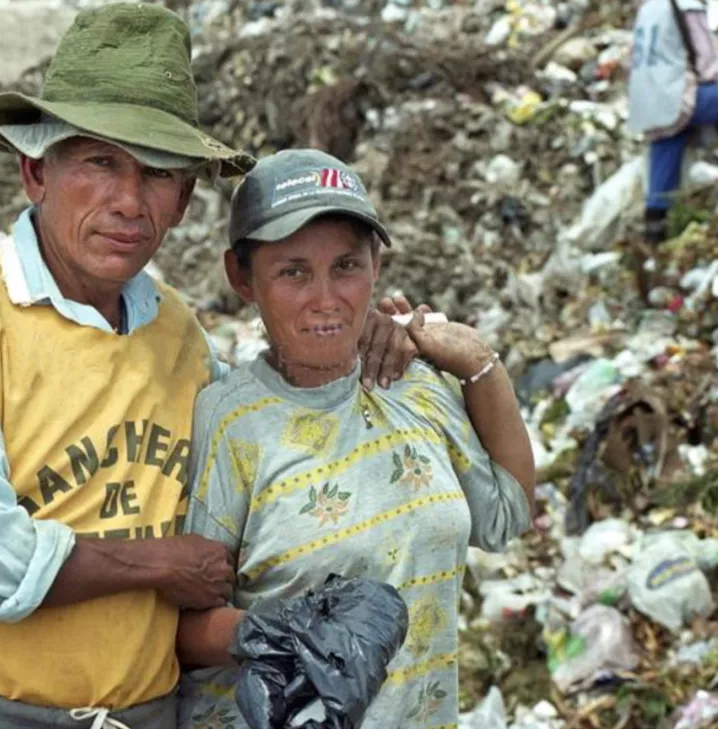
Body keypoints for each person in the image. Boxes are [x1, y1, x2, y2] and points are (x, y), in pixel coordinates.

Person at [0, 5, 420, 729]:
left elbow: (261, 449)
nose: (129, 201)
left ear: (183, 200)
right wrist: (160, 563)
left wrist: (375, 335)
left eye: (157, 173)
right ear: (36, 171)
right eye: (99, 163)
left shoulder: (179, 335)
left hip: (145, 714)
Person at [175, 149, 536, 729]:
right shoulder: (230, 421)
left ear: (376, 265)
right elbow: (183, 631)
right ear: (242, 278)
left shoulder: (411, 386)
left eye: (346, 266)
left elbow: (507, 516)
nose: (326, 298)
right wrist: (290, 629)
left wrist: (476, 362)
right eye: (293, 271)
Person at [628, 0, 718, 246]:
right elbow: (706, 63)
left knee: (668, 141)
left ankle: (655, 226)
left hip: (648, 103)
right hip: (677, 98)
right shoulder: (686, 5)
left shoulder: (648, 7)